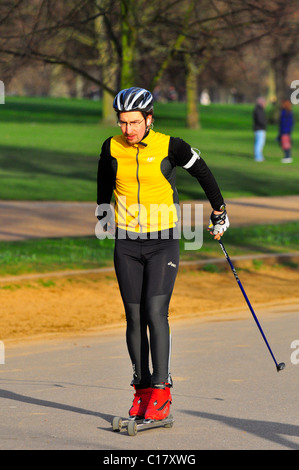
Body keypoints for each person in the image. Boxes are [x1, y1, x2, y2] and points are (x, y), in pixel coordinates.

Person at [96, 87, 229, 422]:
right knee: (133, 315)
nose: (128, 130)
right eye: (123, 123)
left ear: (149, 119)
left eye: (135, 123)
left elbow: (203, 172)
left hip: (163, 241)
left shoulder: (172, 146)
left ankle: (161, 390)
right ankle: (141, 389)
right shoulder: (111, 147)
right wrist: (102, 214)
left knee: (156, 312)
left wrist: (219, 211)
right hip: (126, 242)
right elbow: (103, 181)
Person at [253, 97, 267, 162]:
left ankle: (259, 156)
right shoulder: (258, 110)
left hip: (259, 128)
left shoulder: (259, 109)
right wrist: (264, 124)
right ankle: (258, 157)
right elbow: (260, 120)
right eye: (264, 103)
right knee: (259, 143)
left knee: (259, 143)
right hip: (259, 128)